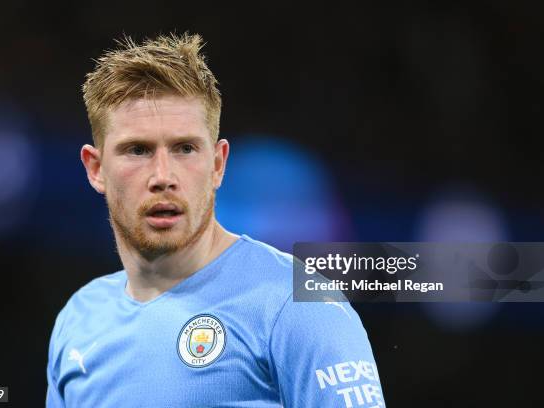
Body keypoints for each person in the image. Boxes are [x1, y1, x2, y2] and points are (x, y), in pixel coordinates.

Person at [46, 32, 385, 408]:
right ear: (96, 169)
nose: (163, 175)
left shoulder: (298, 302)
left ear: (218, 165)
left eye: (185, 148)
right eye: (137, 150)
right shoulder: (79, 320)